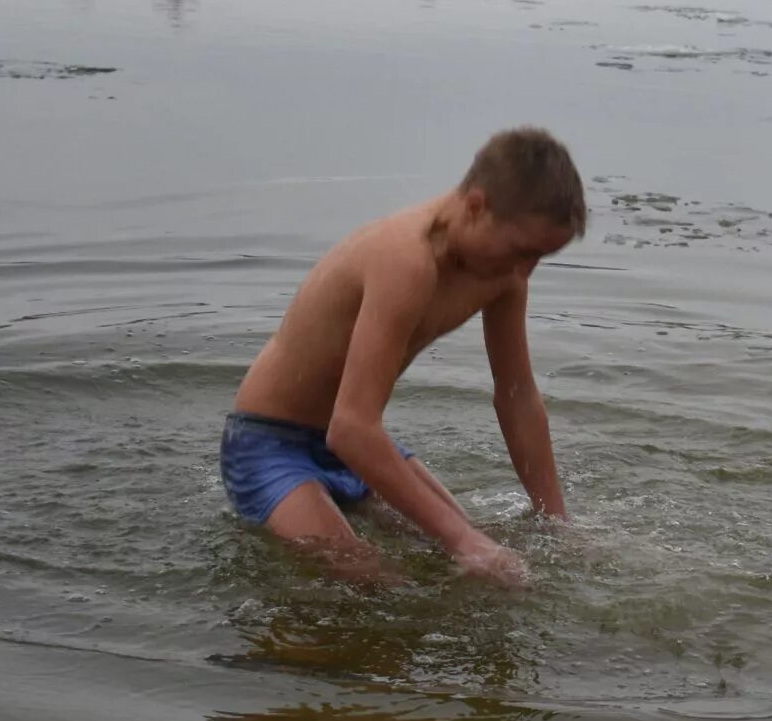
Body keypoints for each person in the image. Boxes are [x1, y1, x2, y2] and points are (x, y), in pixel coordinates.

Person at [221, 127, 582, 584]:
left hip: (356, 445)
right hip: (270, 444)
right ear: (475, 207)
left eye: (541, 258)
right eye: (522, 250)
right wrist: (465, 542)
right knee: (377, 580)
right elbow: (350, 428)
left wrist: (555, 523)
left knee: (479, 558)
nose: (526, 270)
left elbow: (517, 397)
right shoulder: (405, 259)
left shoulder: (503, 275)